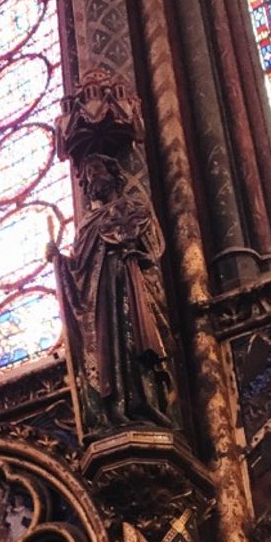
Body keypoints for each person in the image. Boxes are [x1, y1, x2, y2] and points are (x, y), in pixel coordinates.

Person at [51, 153, 174, 432]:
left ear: (112, 173)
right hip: (99, 302)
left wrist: (134, 251)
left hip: (128, 287)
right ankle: (113, 411)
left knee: (132, 345)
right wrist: (59, 261)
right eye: (87, 176)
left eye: (96, 170)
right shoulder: (86, 225)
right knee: (108, 351)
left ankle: (145, 408)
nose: (93, 178)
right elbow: (79, 268)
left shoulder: (132, 208)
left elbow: (153, 248)